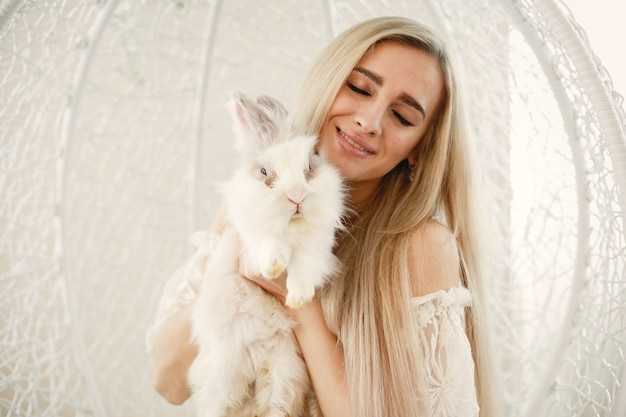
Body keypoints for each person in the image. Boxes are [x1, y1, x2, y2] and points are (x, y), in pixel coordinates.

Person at [146, 16, 501, 417]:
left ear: (419, 147)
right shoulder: (248, 206)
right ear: (329, 83)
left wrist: (297, 297)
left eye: (402, 116)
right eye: (360, 88)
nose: (368, 122)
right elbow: (169, 381)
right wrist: (232, 262)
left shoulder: (423, 247)